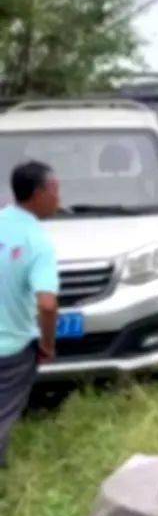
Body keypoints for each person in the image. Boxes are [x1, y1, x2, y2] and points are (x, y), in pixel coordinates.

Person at [0, 161, 60, 467]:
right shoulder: (37, 241)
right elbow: (47, 304)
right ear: (38, 194)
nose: (59, 198)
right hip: (12, 348)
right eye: (55, 190)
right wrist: (48, 344)